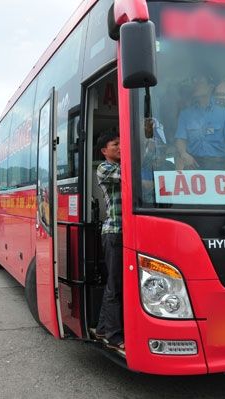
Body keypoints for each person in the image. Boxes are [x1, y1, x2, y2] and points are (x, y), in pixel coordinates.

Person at [94, 131, 124, 350]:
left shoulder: (118, 166)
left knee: (114, 283)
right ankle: (114, 336)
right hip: (114, 232)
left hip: (123, 232)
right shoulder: (104, 168)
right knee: (114, 285)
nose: (121, 147)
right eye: (116, 144)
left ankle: (103, 328)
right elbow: (128, 176)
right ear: (105, 151)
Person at [175, 73, 225, 170]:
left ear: (211, 87)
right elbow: (180, 139)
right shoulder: (186, 113)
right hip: (193, 165)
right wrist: (183, 154)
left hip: (219, 165)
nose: (195, 85)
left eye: (200, 82)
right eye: (194, 83)